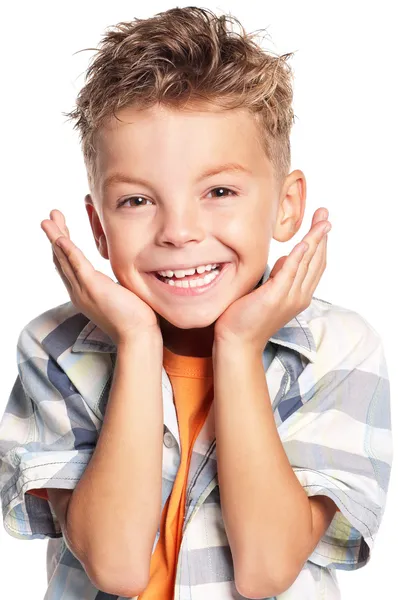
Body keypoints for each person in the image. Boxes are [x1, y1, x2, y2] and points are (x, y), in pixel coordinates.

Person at [0, 6, 392, 600]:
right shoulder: (55, 348)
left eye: (219, 191)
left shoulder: (335, 347)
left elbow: (267, 568)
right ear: (98, 227)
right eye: (136, 201)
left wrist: (239, 347)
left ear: (287, 205)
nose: (179, 231)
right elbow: (114, 565)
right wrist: (135, 343)